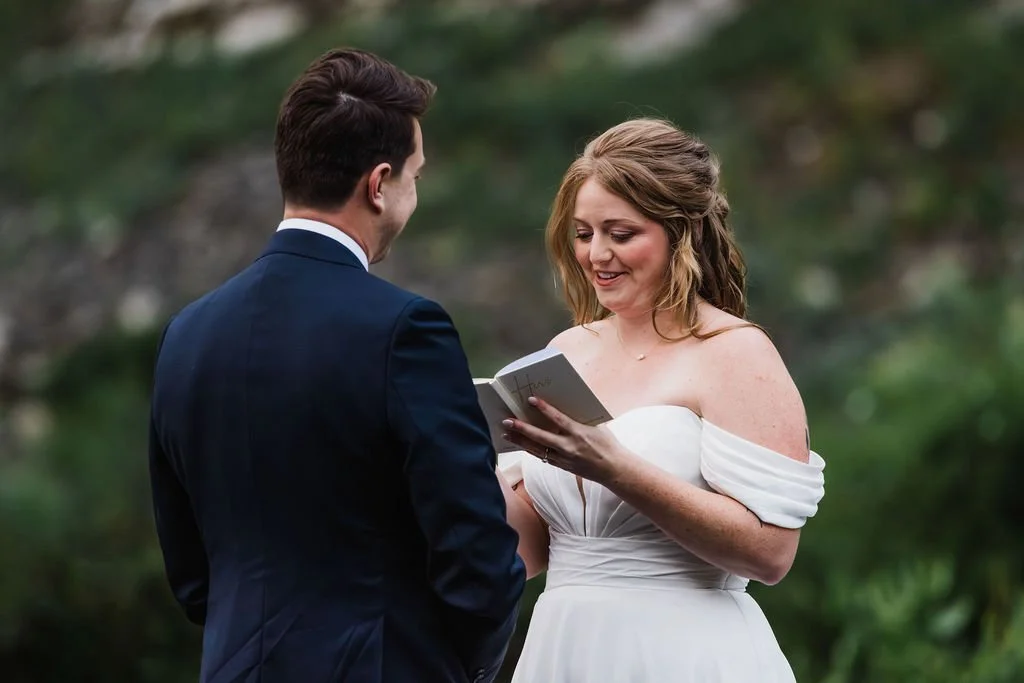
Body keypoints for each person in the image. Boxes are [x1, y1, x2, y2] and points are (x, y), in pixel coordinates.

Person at [148, 48, 525, 683]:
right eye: (415, 176)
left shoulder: (186, 334)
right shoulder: (406, 328)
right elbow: (476, 551)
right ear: (378, 185)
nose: (414, 194)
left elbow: (191, 575)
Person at [497, 117, 826, 682]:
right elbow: (528, 551)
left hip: (685, 653)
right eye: (583, 234)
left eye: (620, 234)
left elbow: (771, 556)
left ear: (681, 232)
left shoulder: (735, 353)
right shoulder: (566, 350)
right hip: (564, 649)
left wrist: (615, 468)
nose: (597, 254)